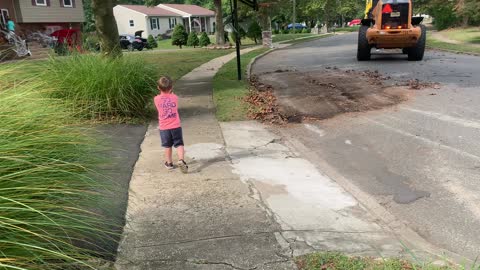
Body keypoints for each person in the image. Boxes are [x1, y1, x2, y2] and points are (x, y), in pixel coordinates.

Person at [154, 76, 188, 173]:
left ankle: (169, 163)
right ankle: (181, 160)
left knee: (167, 146)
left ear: (158, 88)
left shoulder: (156, 99)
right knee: (179, 144)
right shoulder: (175, 97)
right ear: (171, 88)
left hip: (164, 127)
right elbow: (172, 99)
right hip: (176, 126)